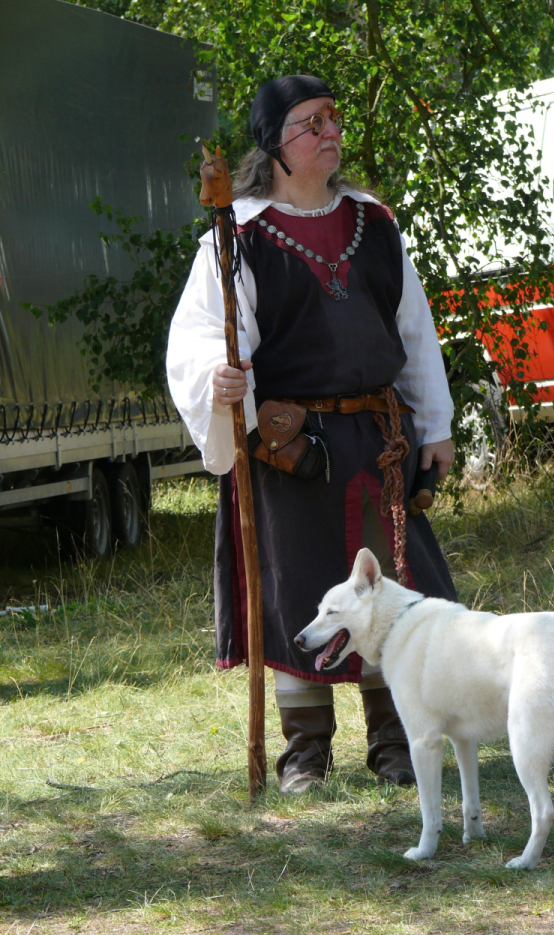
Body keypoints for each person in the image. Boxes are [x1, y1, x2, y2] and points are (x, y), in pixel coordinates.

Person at [167, 74, 457, 794]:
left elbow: (413, 331)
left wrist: (437, 425)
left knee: (388, 592)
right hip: (289, 451)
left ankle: (396, 744)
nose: (331, 132)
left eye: (333, 117)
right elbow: (200, 335)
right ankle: (305, 755)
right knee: (298, 591)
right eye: (311, 123)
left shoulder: (375, 223)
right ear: (275, 144)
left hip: (379, 440)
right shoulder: (238, 237)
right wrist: (218, 378)